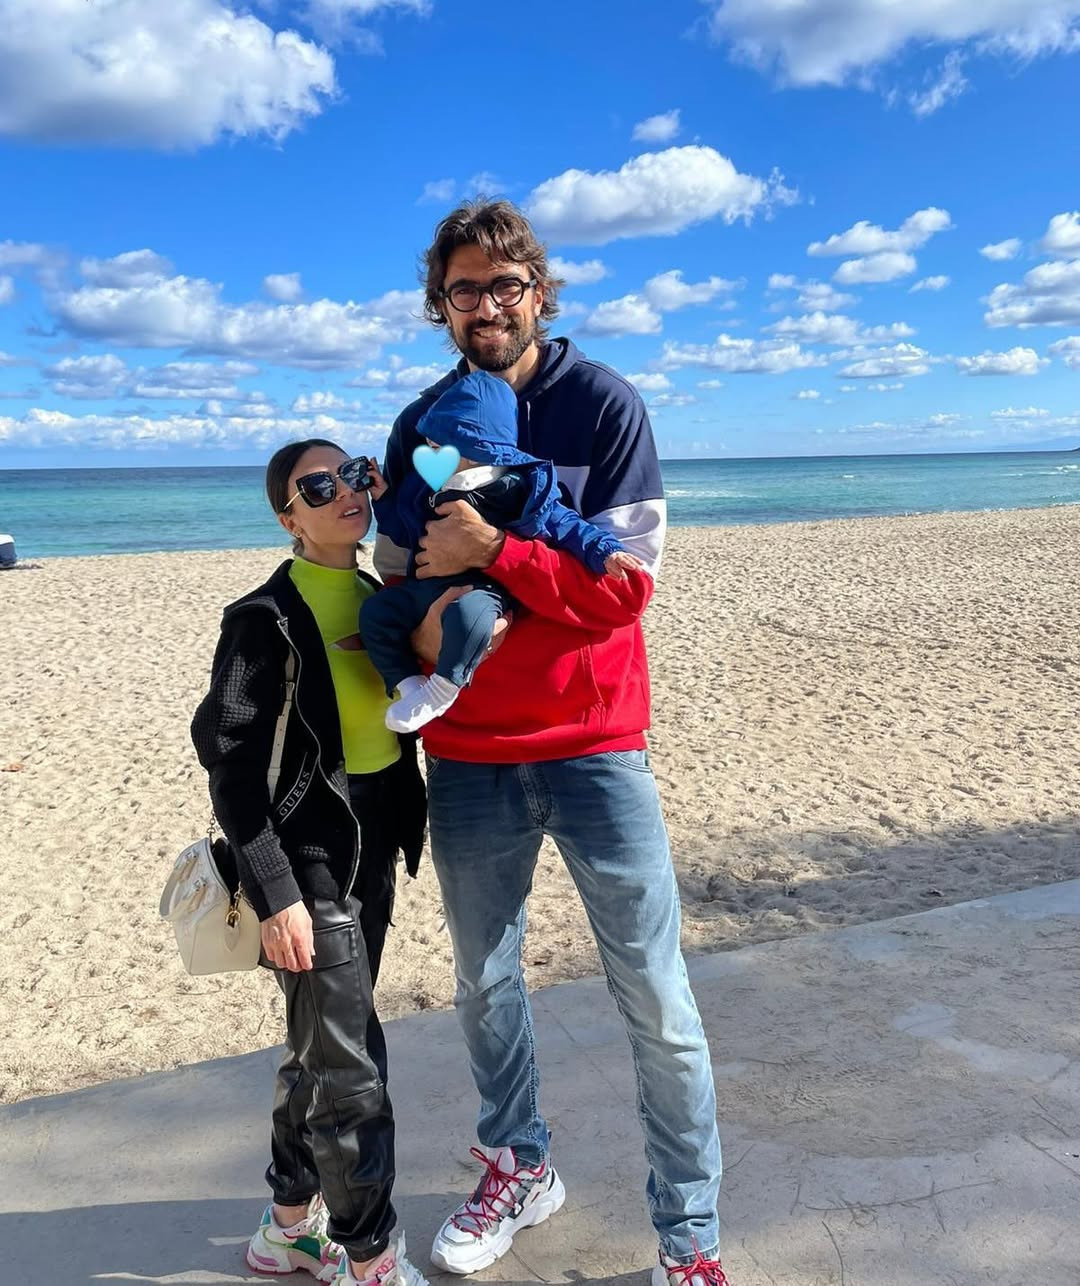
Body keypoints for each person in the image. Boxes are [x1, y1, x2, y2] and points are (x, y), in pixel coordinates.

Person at [375, 200, 728, 1286]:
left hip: (595, 746)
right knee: (485, 987)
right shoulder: (422, 419)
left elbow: (625, 592)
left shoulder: (604, 404)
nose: (486, 305)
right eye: (464, 289)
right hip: (469, 754)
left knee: (656, 999)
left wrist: (499, 551)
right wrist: (448, 616)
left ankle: (690, 1239)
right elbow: (399, 571)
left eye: (505, 284)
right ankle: (520, 1167)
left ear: (540, 290)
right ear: (441, 305)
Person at [190, 440, 429, 1286]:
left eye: (355, 473)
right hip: (308, 861)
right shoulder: (264, 619)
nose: (345, 493)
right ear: (288, 519)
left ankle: (288, 1226)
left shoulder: (380, 594)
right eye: (318, 488)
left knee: (318, 1051)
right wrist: (277, 892)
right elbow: (228, 764)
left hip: (372, 849)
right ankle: (370, 1256)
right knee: (351, 1067)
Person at [361, 368, 641, 732]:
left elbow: (567, 525)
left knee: (469, 618)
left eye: (439, 445)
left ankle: (443, 688)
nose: (430, 451)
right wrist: (384, 498)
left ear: (475, 449)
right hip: (424, 587)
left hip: (482, 589)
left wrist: (605, 551)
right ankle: (409, 685)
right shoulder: (427, 489)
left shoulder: (516, 490)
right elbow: (406, 526)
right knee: (376, 611)